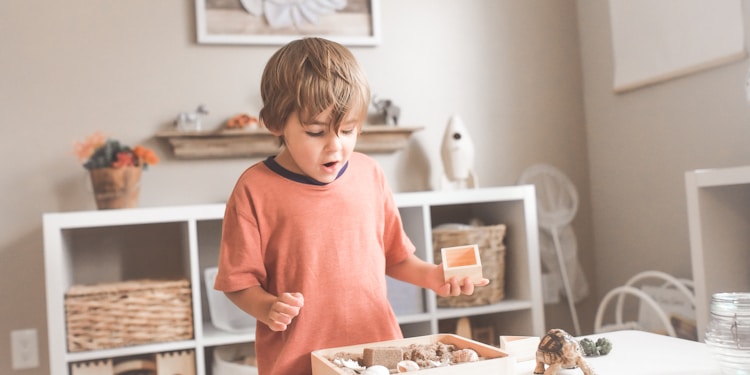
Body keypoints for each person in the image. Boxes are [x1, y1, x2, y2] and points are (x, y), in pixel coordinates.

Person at [214, 37, 489, 375]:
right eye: (315, 132)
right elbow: (237, 283)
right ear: (275, 123)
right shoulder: (254, 189)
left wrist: (433, 276)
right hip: (298, 363)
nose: (335, 147)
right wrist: (268, 307)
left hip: (380, 354)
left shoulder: (370, 173)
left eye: (348, 130)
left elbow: (396, 256)